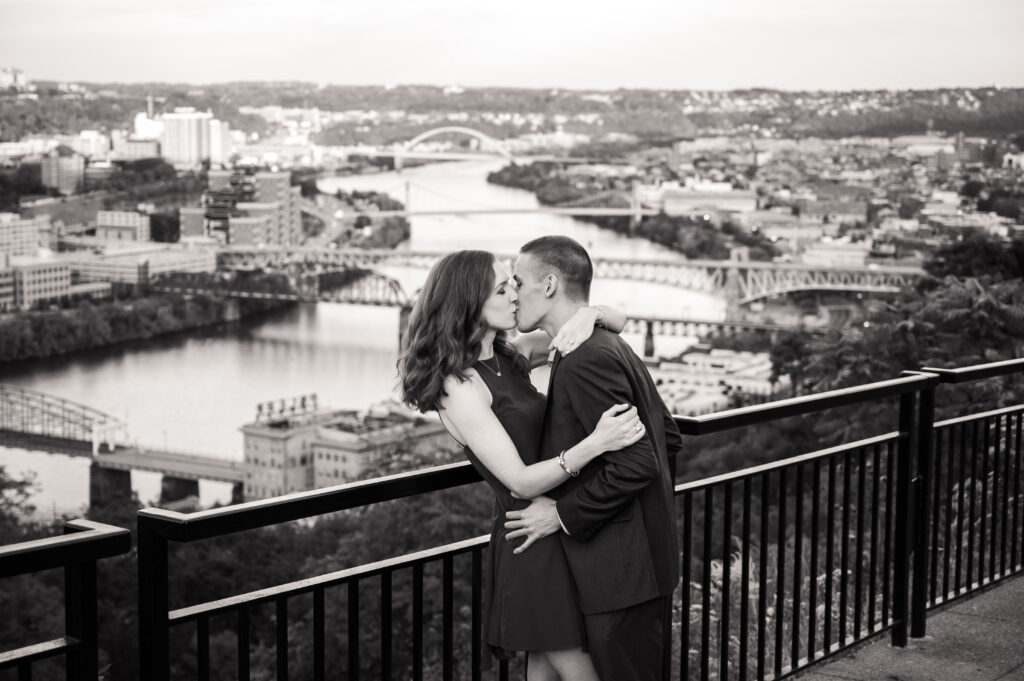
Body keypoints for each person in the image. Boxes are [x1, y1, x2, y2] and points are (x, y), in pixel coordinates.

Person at [399, 249, 644, 680]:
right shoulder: (460, 386)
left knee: (546, 668)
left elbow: (621, 321)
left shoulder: (510, 354)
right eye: (501, 288)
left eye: (513, 283)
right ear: (468, 303)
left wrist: (591, 315)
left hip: (553, 527)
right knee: (582, 671)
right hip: (530, 535)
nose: (514, 293)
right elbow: (519, 481)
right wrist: (596, 443)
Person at [505, 235, 682, 681]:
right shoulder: (600, 343)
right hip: (638, 562)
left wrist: (560, 514)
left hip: (619, 572)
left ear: (548, 285)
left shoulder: (585, 358)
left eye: (517, 281)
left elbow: (638, 463)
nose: (512, 292)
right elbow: (670, 436)